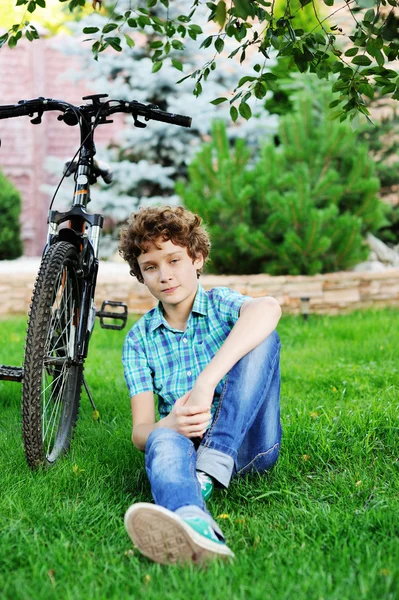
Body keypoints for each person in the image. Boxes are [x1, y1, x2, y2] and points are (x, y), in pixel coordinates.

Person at [119, 205, 282, 565]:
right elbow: (140, 432)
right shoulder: (138, 341)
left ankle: (212, 465)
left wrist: (207, 382)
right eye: (151, 267)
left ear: (197, 258)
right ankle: (193, 520)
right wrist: (169, 426)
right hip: (185, 447)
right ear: (141, 275)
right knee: (161, 438)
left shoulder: (221, 304)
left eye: (174, 260)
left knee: (264, 338)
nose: (164, 275)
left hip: (247, 444)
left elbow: (269, 307)